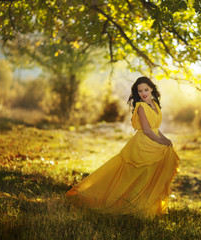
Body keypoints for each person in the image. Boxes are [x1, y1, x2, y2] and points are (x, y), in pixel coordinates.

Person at [65, 76, 180, 217]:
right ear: (137, 93)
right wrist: (161, 142)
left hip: (154, 141)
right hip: (143, 145)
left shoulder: (155, 104)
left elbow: (155, 128)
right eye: (140, 91)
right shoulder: (141, 107)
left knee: (150, 177)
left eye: (146, 89)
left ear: (152, 89)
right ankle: (121, 202)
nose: (143, 93)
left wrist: (165, 139)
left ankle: (147, 206)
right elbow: (147, 130)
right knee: (134, 176)